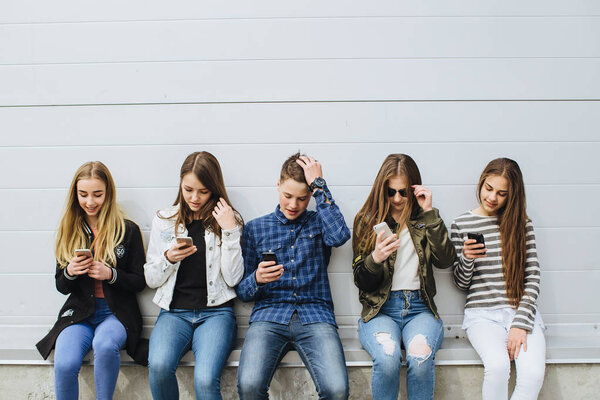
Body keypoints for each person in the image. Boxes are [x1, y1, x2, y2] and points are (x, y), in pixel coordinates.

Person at [236, 153, 351, 400]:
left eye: (302, 198)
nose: (293, 204)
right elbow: (242, 292)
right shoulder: (256, 228)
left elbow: (340, 236)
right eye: (287, 196)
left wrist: (319, 186)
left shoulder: (320, 221)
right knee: (249, 386)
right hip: (269, 315)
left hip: (315, 315)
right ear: (278, 186)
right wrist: (257, 278)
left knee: (337, 390)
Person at [36, 161, 147, 400]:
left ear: (108, 194)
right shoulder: (71, 230)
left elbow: (140, 281)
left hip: (115, 314)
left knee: (105, 347)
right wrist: (70, 271)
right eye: (83, 194)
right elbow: (61, 285)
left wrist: (111, 275)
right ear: (75, 195)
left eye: (97, 194)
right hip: (80, 314)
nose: (90, 201)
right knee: (64, 363)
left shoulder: (127, 230)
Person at [352, 153, 456, 400]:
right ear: (381, 190)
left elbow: (446, 260)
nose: (397, 199)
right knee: (387, 360)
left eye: (403, 192)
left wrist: (429, 212)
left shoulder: (425, 220)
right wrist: (375, 258)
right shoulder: (366, 221)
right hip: (381, 309)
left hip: (420, 308)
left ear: (414, 190)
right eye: (390, 192)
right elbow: (361, 280)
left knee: (420, 359)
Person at [144, 151, 244, 400]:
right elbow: (150, 279)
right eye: (188, 189)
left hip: (216, 313)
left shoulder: (230, 220)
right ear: (180, 184)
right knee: (158, 367)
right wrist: (168, 258)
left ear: (214, 189)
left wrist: (230, 231)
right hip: (173, 313)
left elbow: (233, 279)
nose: (195, 198)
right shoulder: (164, 220)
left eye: (203, 191)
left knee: (205, 380)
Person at [451, 157, 546, 400]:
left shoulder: (522, 225)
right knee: (497, 367)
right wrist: (467, 258)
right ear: (481, 184)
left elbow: (533, 276)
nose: (492, 197)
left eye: (502, 193)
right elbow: (461, 283)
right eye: (488, 188)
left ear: (512, 195)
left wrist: (520, 324)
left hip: (520, 312)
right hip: (482, 314)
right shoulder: (461, 223)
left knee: (533, 374)